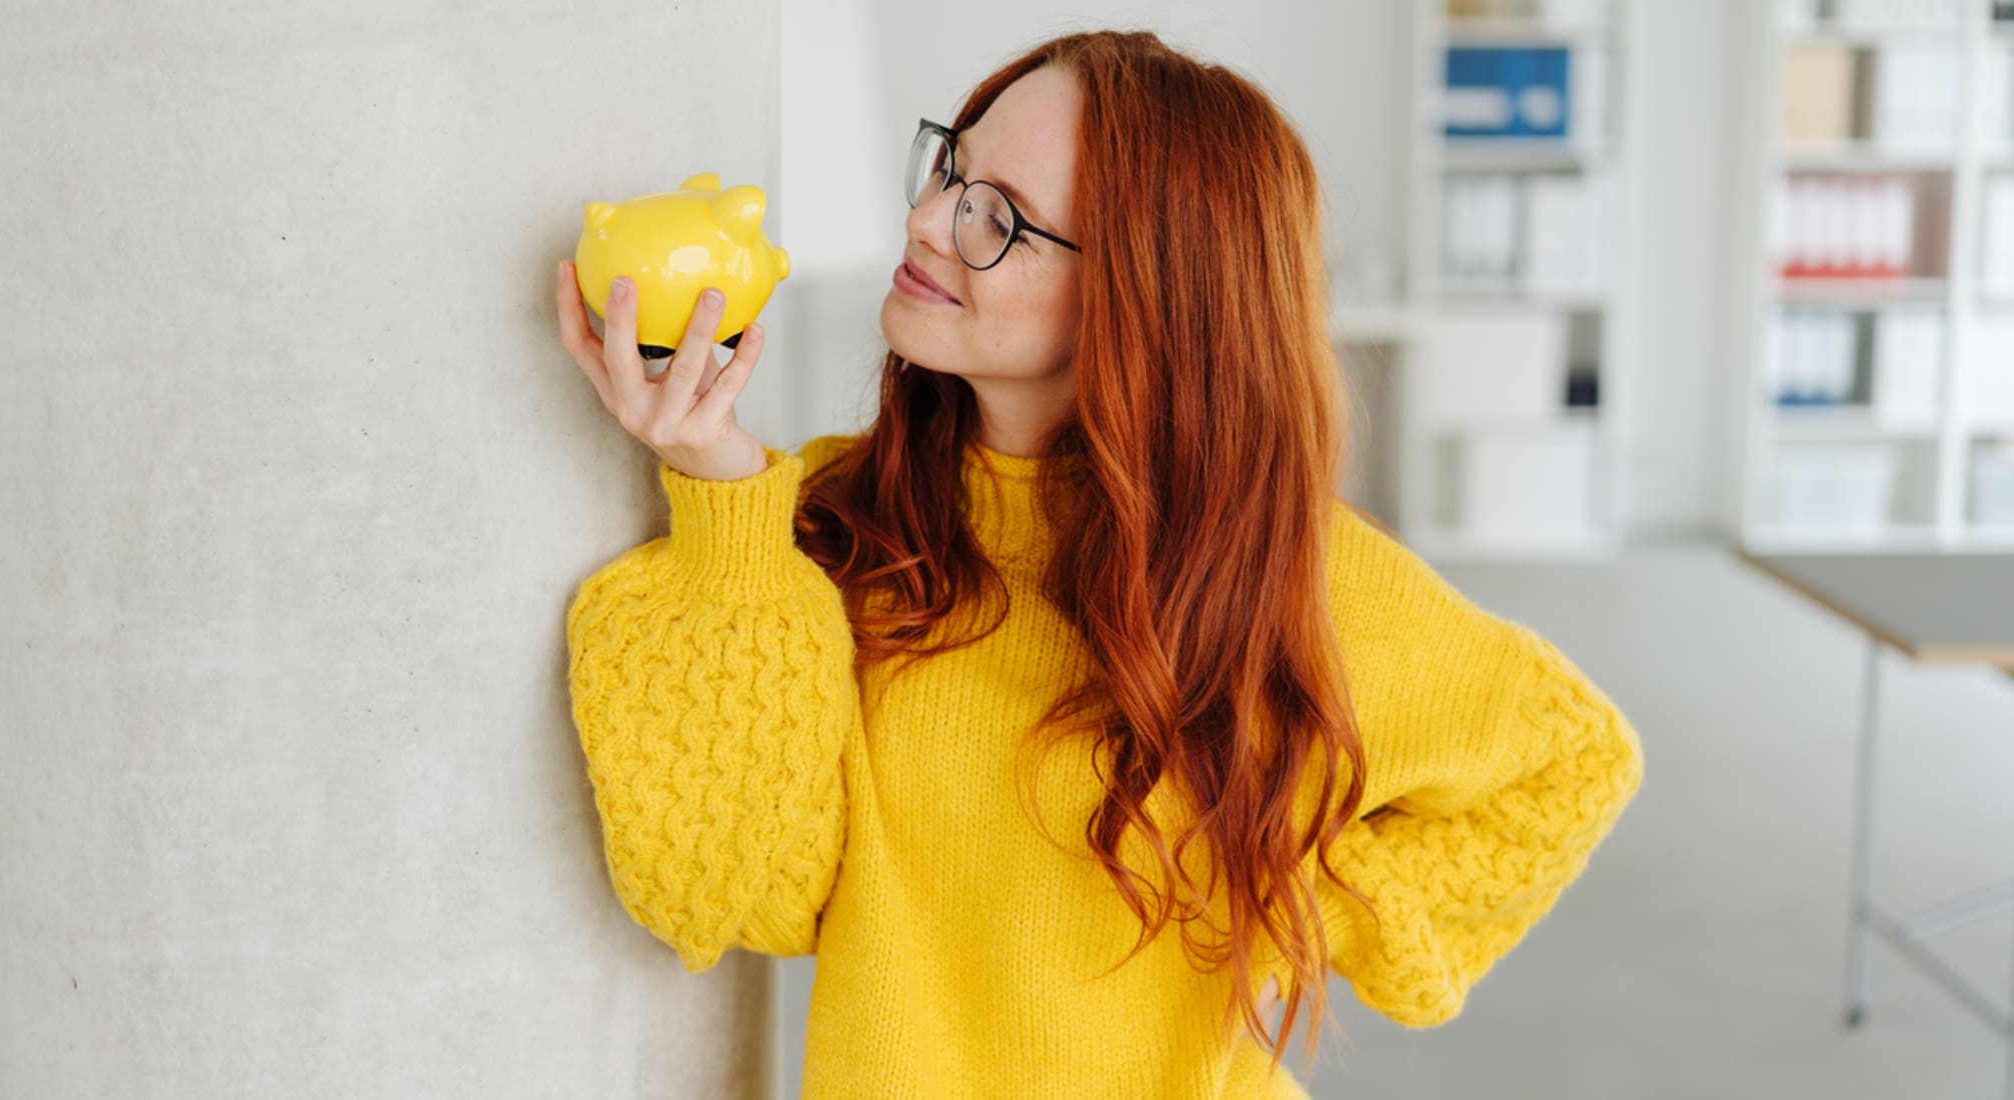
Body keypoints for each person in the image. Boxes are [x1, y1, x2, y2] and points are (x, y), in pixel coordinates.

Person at [555, 28, 1644, 1100]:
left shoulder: (1283, 576)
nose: (929, 221)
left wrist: (1291, 888)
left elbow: (1571, 760)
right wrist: (718, 487)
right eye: (953, 168)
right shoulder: (827, 528)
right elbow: (734, 892)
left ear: (1148, 289)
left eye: (1002, 220)